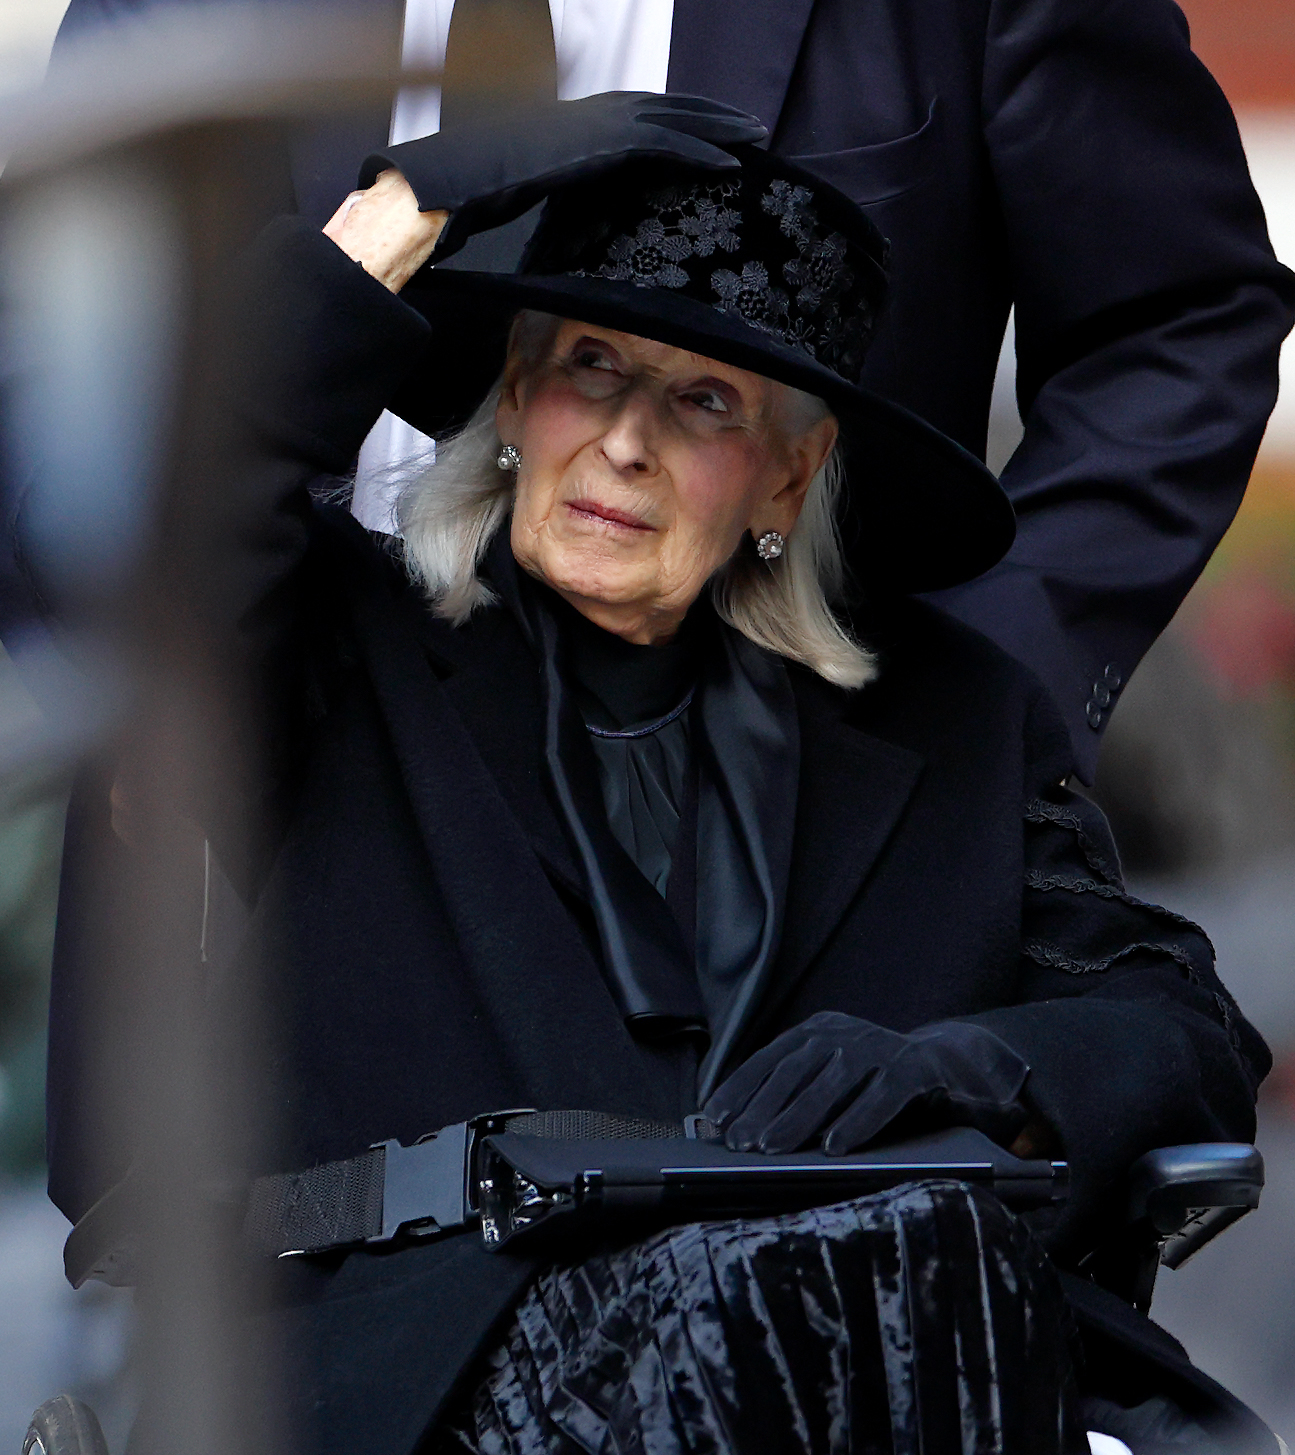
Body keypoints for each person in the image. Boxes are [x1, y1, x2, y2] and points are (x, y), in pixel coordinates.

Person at [42, 96, 1274, 1453]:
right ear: (512, 395)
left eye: (700, 402)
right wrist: (403, 211)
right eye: (588, 367)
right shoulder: (328, 644)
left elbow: (1179, 1031)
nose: (624, 441)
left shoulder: (953, 717)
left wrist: (968, 1065)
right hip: (426, 1382)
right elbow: (142, 528)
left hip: (891, 1375)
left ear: (787, 478)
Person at [47, 0, 1295, 780]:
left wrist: (973, 711)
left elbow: (1177, 318)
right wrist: (386, 228)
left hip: (762, 869)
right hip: (247, 840)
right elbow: (48, 427)